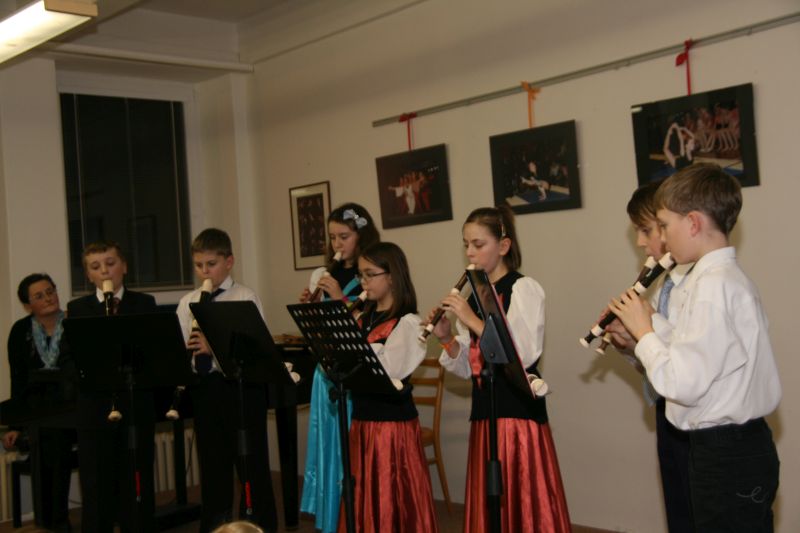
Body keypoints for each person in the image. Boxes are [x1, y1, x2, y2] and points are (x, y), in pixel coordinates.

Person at [610, 163, 781, 532]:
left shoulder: (713, 288)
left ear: (692, 223)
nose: (661, 237)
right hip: (725, 449)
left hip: (727, 453)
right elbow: (696, 354)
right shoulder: (714, 281)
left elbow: (682, 383)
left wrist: (645, 333)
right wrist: (651, 321)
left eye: (664, 225)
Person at [426, 206, 570, 532]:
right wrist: (447, 339)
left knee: (521, 505)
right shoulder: (475, 296)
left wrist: (471, 319)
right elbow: (473, 365)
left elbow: (522, 353)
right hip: (486, 412)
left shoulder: (523, 288)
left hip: (517, 417)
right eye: (466, 244)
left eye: (478, 244)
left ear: (503, 246)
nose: (470, 252)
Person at [604, 181, 694, 532]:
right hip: (668, 413)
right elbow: (657, 364)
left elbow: (687, 364)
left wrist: (645, 327)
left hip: (698, 421)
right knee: (680, 512)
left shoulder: (698, 286)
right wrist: (628, 344)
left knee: (702, 514)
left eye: (646, 230)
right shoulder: (664, 285)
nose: (641, 243)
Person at [176, 228, 277, 532]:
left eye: (211, 264)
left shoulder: (245, 297)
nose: (204, 272)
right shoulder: (188, 302)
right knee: (213, 466)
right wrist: (190, 356)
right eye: (199, 265)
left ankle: (257, 526)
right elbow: (181, 350)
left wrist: (215, 349)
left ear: (229, 262)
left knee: (251, 465)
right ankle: (215, 526)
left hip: (241, 389)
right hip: (206, 390)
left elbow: (255, 351)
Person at [336, 242, 438, 533]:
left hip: (391, 428)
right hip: (362, 421)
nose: (363, 282)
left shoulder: (409, 323)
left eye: (370, 274)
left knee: (391, 497)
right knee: (362, 495)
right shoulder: (361, 318)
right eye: (360, 275)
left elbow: (389, 370)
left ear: (392, 277)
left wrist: (355, 346)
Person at [299, 203, 380, 533]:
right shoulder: (324, 273)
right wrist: (311, 309)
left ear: (362, 236)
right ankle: (330, 518)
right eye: (332, 237)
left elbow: (368, 323)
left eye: (344, 237)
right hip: (326, 371)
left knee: (349, 446)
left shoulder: (371, 274)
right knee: (327, 445)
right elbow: (321, 329)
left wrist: (338, 299)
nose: (337, 244)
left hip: (352, 371)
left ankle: (354, 517)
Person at [67, 241, 158, 532]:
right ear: (88, 275)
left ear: (124, 267)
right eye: (96, 267)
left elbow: (153, 353)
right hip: (94, 408)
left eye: (110, 263)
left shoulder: (144, 303)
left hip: (134, 403)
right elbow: (70, 359)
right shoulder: (77, 308)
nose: (104, 271)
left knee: (137, 477)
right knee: (96, 483)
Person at [4, 273, 75, 532]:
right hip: (38, 410)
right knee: (44, 436)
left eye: (50, 291)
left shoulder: (74, 322)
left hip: (72, 406)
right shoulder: (20, 331)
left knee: (52, 438)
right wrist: (15, 425)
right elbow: (18, 379)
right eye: (39, 296)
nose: (48, 298)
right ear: (28, 305)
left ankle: (55, 521)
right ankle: (51, 521)